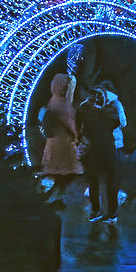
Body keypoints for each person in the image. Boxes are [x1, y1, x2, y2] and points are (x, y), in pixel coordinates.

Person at [77, 83, 127, 224]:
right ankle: (111, 212)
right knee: (110, 181)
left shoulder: (87, 112)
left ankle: (96, 211)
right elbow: (119, 123)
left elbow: (82, 114)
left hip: (95, 150)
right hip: (108, 149)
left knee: (94, 181)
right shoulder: (109, 112)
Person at [39, 73, 82, 202]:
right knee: (67, 174)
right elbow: (70, 121)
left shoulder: (52, 100)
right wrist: (76, 136)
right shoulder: (63, 103)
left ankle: (52, 197)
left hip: (52, 143)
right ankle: (58, 199)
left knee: (57, 174)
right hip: (64, 143)